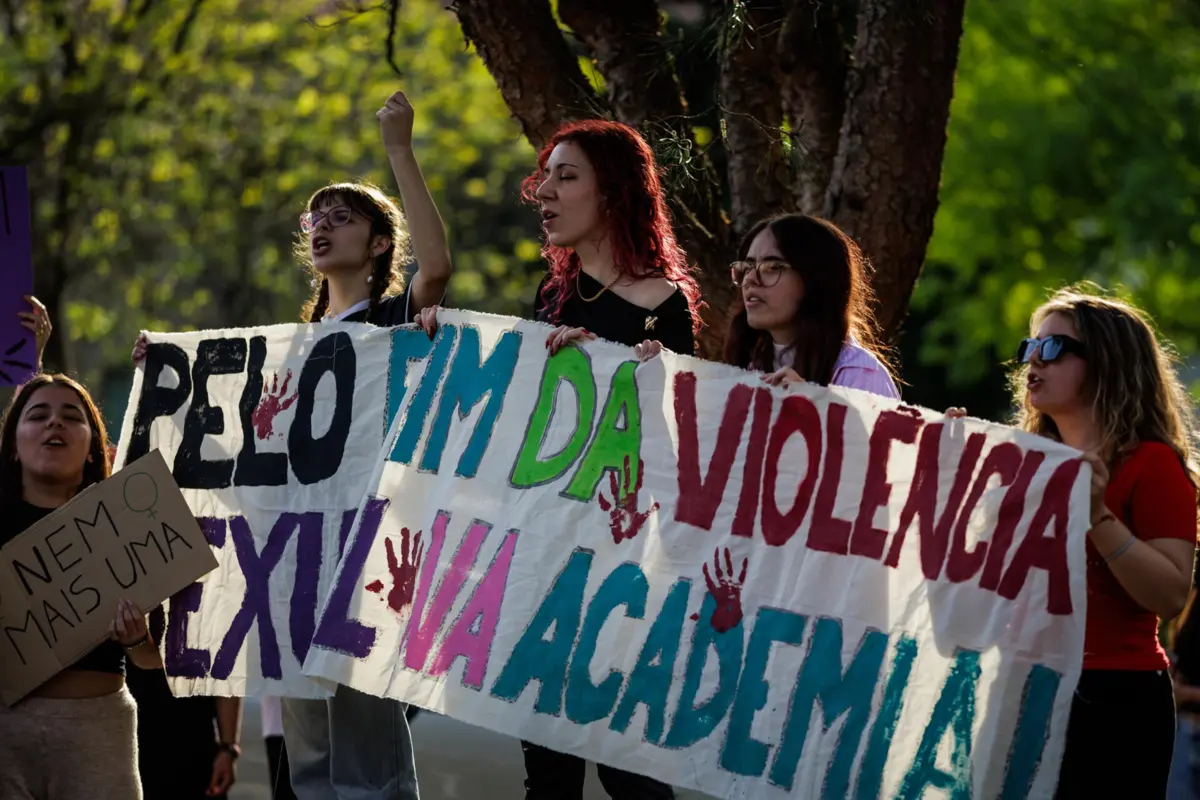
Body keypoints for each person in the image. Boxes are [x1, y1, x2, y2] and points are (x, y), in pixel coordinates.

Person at [130, 88, 449, 800]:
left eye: (345, 217)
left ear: (377, 245)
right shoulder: (291, 348)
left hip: (364, 564)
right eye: (317, 218)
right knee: (308, 764)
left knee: (370, 759)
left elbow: (437, 265)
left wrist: (399, 149)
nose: (324, 227)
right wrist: (167, 374)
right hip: (291, 569)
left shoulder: (396, 322)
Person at [418, 118, 695, 800]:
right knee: (547, 775)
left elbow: (675, 444)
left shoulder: (665, 308)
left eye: (566, 176)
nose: (545, 190)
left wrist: (638, 375)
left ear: (614, 193)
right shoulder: (550, 303)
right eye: (546, 176)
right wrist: (438, 342)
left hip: (621, 572)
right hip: (540, 563)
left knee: (629, 771)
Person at [1004, 286, 1197, 798]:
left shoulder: (1153, 464)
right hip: (1024, 688)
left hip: (1114, 698)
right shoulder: (1023, 461)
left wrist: (1097, 516)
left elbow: (1171, 595)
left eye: (1053, 348)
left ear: (1107, 364)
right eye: (1029, 347)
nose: (1033, 361)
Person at [0, 373, 163, 799]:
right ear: (13, 445)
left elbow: (152, 659)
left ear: (93, 448)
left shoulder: (132, 528)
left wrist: (138, 636)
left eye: (71, 416)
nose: (55, 423)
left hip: (99, 732)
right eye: (38, 415)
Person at [709, 213, 899, 398]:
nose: (750, 279)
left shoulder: (860, 376)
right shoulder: (751, 366)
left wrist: (809, 412)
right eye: (748, 267)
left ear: (815, 280)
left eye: (773, 267)